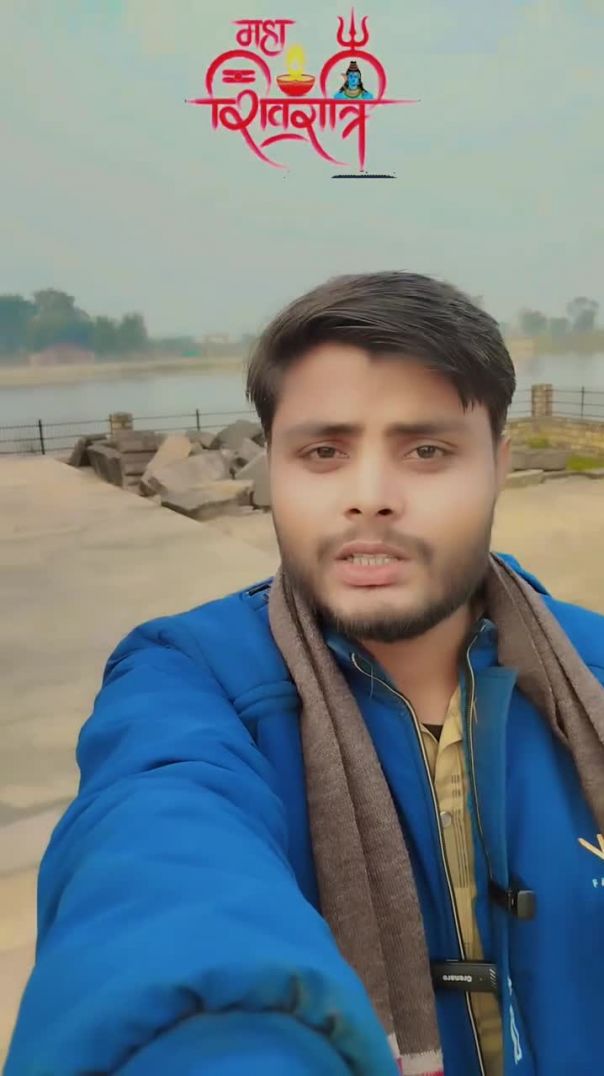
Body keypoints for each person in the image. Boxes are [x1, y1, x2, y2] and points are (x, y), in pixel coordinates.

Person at [6, 272, 604, 1076]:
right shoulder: (192, 682)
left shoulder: (592, 674)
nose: (370, 498)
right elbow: (155, 859)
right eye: (324, 452)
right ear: (273, 470)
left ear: (497, 464)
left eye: (427, 450)